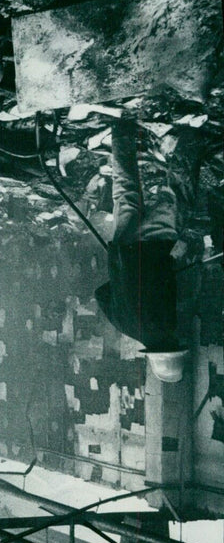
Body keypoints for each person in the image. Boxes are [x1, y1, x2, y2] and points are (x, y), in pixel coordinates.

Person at [94, 119, 201, 383]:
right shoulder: (126, 327)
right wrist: (123, 277)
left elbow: (164, 281)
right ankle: (121, 131)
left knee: (179, 198)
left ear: (171, 347)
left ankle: (191, 134)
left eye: (177, 345)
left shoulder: (167, 324)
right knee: (126, 189)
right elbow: (101, 293)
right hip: (121, 249)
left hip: (152, 245)